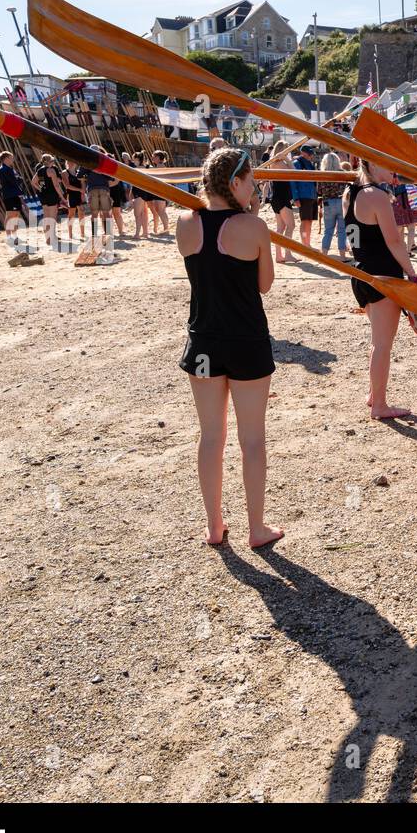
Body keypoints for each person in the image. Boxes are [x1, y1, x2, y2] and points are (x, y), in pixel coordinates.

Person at [175, 148, 281, 549]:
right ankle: (257, 528)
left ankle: (214, 525)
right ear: (235, 183)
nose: (255, 188)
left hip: (203, 340)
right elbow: (264, 284)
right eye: (250, 180)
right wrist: (252, 216)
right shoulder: (253, 228)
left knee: (211, 436)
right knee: (252, 439)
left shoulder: (185, 223)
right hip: (247, 340)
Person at [345, 155, 417, 420]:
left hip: (361, 271)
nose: (395, 167)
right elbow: (395, 242)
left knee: (378, 341)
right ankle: (379, 404)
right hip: (382, 275)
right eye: (388, 162)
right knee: (382, 344)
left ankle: (373, 393)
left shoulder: (351, 192)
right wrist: (412, 275)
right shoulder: (376, 196)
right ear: (373, 164)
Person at [317, 151, 349, 257]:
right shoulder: (342, 172)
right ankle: (342, 256)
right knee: (342, 230)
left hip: (327, 203)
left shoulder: (321, 174)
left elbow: (319, 191)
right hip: (341, 202)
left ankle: (324, 254)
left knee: (328, 230)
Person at [32, 152, 66, 251]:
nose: (53, 162)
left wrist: (41, 189)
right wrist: (63, 198)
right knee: (52, 217)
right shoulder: (51, 170)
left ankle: (49, 238)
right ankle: (51, 238)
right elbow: (56, 186)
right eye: (52, 160)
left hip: (44, 196)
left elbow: (33, 182)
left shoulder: (39, 170)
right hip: (51, 195)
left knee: (46, 217)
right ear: (48, 162)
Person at [291, 145, 319, 246]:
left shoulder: (310, 164)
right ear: (303, 153)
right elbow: (293, 182)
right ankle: (304, 243)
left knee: (310, 221)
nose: (311, 155)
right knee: (304, 221)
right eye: (309, 153)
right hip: (303, 196)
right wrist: (296, 198)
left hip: (312, 196)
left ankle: (307, 243)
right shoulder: (297, 163)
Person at [0, 150, 27, 243]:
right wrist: (19, 179)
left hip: (15, 194)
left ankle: (14, 236)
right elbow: (15, 181)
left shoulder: (9, 168)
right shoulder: (4, 169)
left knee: (16, 215)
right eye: (11, 158)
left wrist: (19, 179)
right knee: (10, 216)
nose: (12, 160)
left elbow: (18, 179)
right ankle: (9, 236)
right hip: (9, 195)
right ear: (5, 159)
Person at [149, 151, 171, 233]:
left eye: (154, 157)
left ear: (158, 157)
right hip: (158, 191)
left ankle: (166, 229)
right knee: (159, 210)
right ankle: (165, 228)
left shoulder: (161, 167)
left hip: (161, 191)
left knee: (161, 211)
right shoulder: (158, 166)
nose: (152, 159)